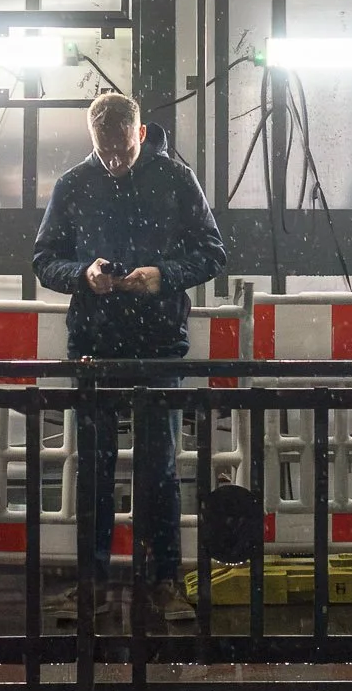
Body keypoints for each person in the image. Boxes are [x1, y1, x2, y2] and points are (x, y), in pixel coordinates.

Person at [32, 93, 227, 623]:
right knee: (95, 470)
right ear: (92, 141)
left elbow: (213, 253)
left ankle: (160, 580)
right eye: (105, 151)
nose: (114, 160)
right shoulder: (75, 184)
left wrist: (160, 275)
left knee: (158, 469)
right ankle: (99, 583)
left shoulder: (175, 180)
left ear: (140, 134)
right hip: (100, 344)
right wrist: (83, 275)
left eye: (121, 149)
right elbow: (45, 261)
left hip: (153, 343)